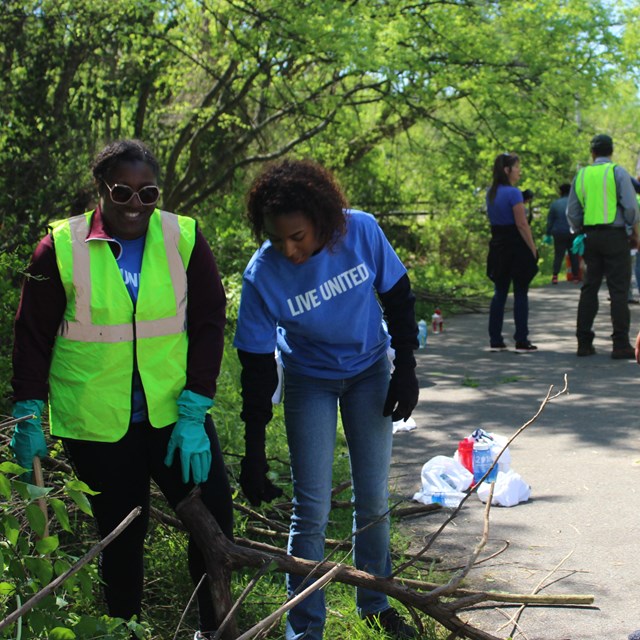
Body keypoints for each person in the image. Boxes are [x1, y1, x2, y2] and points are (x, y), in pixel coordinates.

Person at [10, 139, 233, 640]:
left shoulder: (182, 238)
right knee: (122, 538)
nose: (136, 205)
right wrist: (28, 412)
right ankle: (125, 631)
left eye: (147, 193)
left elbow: (208, 320)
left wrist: (197, 407)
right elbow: (32, 336)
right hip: (98, 425)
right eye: (123, 193)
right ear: (100, 190)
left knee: (214, 524)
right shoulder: (59, 248)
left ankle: (215, 630)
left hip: (177, 416)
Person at [233, 159, 419, 640]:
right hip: (308, 380)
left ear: (322, 218)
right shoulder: (262, 276)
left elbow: (398, 297)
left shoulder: (360, 232)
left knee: (373, 497)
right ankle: (304, 627)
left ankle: (375, 605)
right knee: (310, 507)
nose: (290, 250)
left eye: (298, 236)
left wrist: (407, 370)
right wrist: (254, 451)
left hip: (369, 370)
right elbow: (254, 372)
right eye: (278, 240)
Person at [567, 133, 640, 358]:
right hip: (615, 236)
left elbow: (572, 211)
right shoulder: (617, 172)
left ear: (593, 153)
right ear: (611, 151)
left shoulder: (582, 175)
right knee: (618, 290)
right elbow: (630, 207)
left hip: (590, 237)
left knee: (589, 287)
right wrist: (633, 230)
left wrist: (580, 230)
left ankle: (584, 342)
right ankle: (620, 344)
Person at [485, 152, 539, 352]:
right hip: (515, 246)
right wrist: (533, 248)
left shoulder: (490, 192)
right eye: (517, 167)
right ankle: (521, 338)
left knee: (500, 292)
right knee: (520, 292)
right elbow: (522, 224)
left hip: (497, 245)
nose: (519, 171)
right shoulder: (514, 193)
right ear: (507, 170)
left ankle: (495, 338)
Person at [545, 183, 580, 284]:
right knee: (574, 254)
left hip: (559, 232)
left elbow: (550, 220)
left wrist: (548, 233)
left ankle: (555, 276)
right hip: (573, 232)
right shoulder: (575, 203)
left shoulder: (555, 204)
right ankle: (576, 277)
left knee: (558, 254)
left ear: (560, 192)